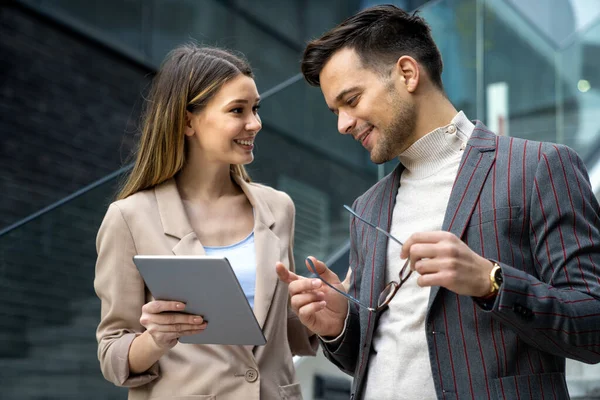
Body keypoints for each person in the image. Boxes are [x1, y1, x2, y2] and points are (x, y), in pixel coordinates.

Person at [276, 5, 600, 399]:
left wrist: (491, 282)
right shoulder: (367, 208)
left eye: (352, 99)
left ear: (408, 74)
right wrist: (340, 324)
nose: (343, 123)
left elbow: (592, 326)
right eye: (336, 110)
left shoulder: (538, 168)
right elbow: (386, 354)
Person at [94, 43, 317, 400]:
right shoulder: (130, 218)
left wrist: (324, 305)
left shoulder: (278, 208)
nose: (255, 123)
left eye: (256, 108)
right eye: (237, 110)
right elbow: (111, 353)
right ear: (187, 121)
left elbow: (283, 332)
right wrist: (155, 341)